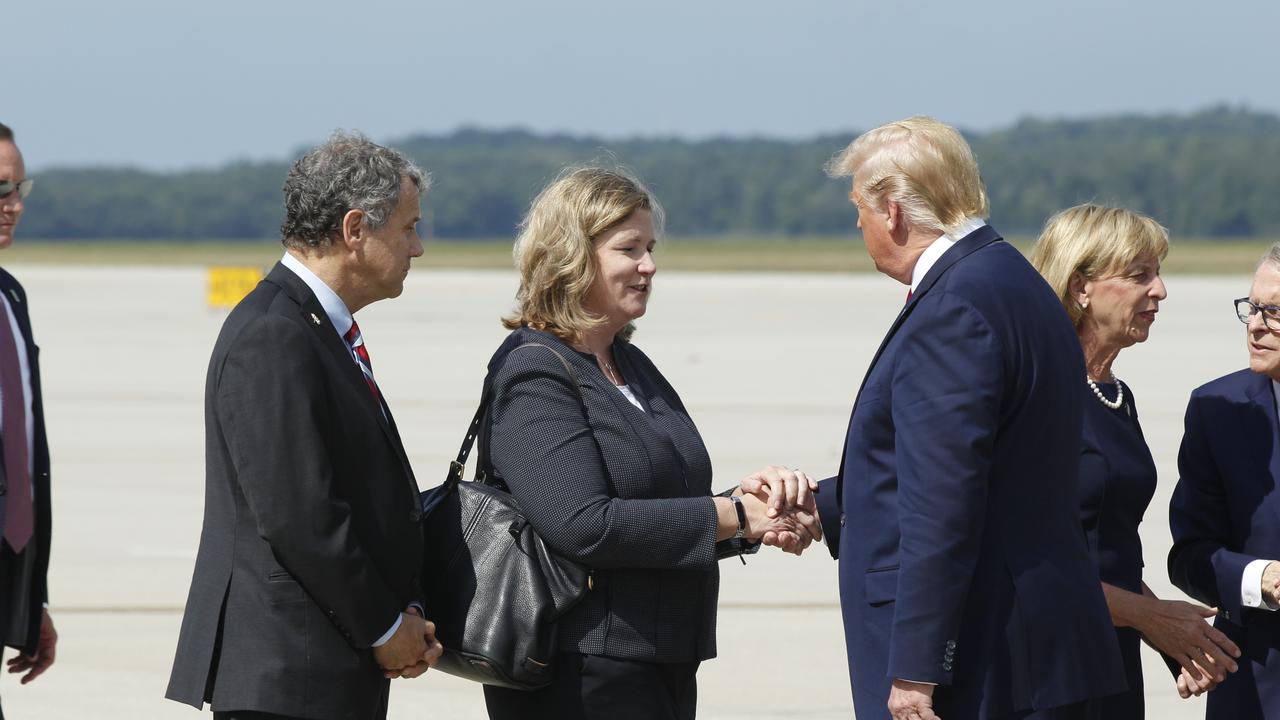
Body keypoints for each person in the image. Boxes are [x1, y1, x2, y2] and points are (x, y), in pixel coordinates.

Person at [811, 117, 1124, 720]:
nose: (858, 225)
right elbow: (998, 468)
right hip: (1034, 648)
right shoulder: (1013, 281)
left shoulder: (954, 307)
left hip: (983, 663)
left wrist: (917, 668)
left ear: (893, 212)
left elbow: (944, 500)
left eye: (859, 208)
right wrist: (823, 507)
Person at [478, 166, 819, 720]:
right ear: (573, 255)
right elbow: (584, 525)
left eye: (651, 247)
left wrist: (757, 508)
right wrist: (733, 514)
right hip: (581, 674)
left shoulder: (629, 363)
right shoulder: (536, 372)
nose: (649, 265)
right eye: (628, 249)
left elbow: (659, 507)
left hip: (658, 664)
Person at [166, 132, 444, 720]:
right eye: (407, 228)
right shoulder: (276, 334)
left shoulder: (313, 328)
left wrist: (408, 611)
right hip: (289, 680)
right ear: (354, 231)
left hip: (321, 674)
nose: (417, 247)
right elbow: (301, 515)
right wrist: (383, 626)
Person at [1030, 204, 1241, 715]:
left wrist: (1170, 635)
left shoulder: (1113, 394)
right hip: (1042, 664)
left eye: (1159, 274)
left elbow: (1108, 550)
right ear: (1081, 287)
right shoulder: (1035, 393)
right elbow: (1025, 559)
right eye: (1139, 275)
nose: (1160, 291)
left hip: (1108, 654)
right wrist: (1151, 616)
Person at [1167, 243, 1280, 720]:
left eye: (1274, 311)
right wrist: (1261, 578)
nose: (1255, 325)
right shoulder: (1219, 410)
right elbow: (1189, 556)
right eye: (1252, 308)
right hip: (1259, 694)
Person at [0, 122, 57, 719]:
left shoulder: (9, 297)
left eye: (18, 188)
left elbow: (21, 463)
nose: (13, 205)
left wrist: (29, 598)